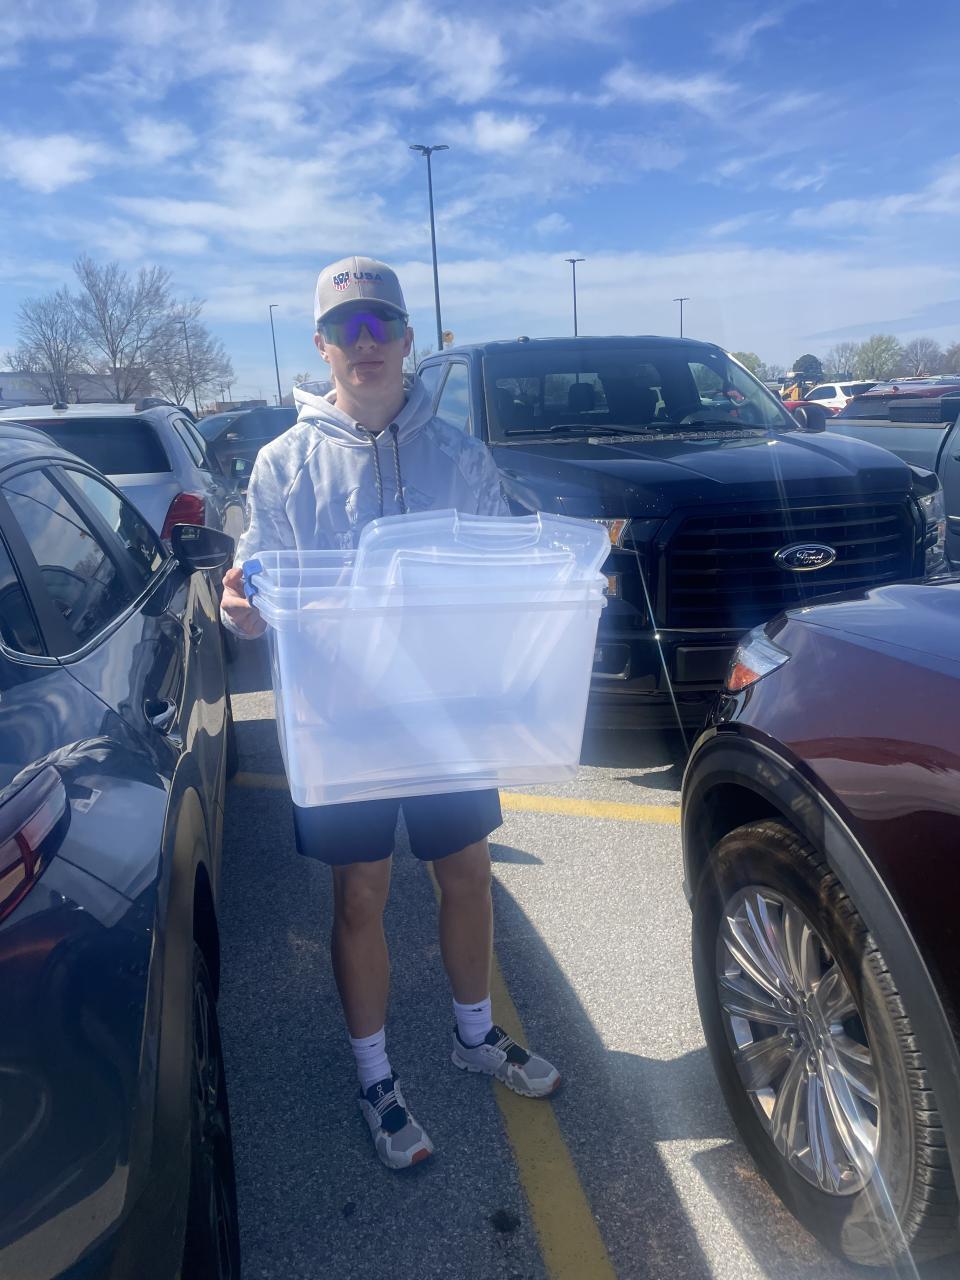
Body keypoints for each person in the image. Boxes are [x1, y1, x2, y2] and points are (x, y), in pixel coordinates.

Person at [220, 256, 560, 1170]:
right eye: (347, 327)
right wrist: (240, 605)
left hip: (445, 711)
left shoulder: (460, 455)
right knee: (360, 893)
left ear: (409, 339)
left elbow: (498, 568)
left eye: (382, 325)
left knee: (468, 873)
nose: (365, 343)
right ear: (321, 344)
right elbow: (258, 583)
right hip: (342, 720)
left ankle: (474, 1035)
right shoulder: (283, 464)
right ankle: (375, 1076)